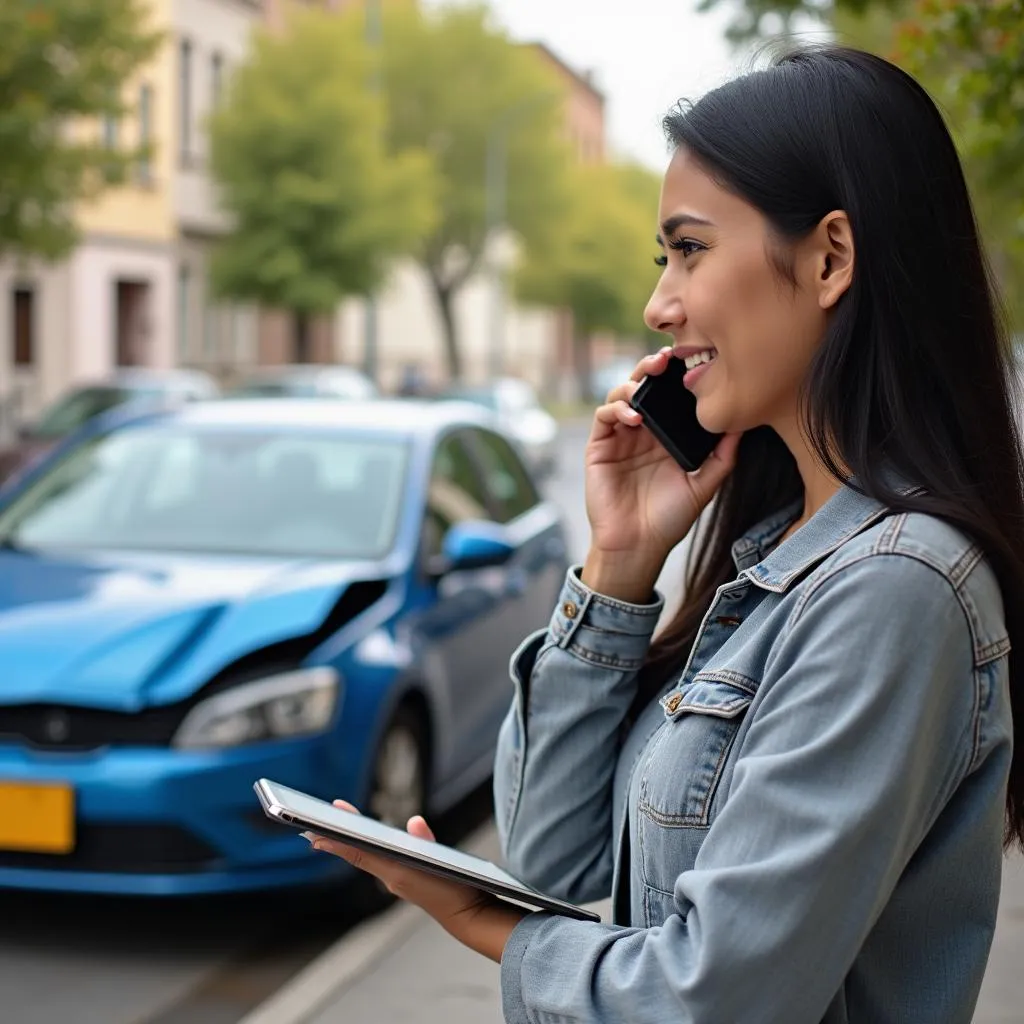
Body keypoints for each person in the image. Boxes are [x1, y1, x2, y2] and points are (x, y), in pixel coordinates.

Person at [307, 44, 1024, 1022]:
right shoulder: (778, 558)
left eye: (689, 249)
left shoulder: (894, 590)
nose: (658, 305)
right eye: (664, 258)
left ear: (828, 258)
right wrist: (618, 566)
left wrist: (486, 924)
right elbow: (558, 858)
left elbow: (715, 996)